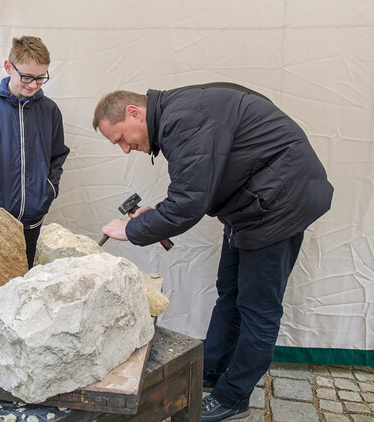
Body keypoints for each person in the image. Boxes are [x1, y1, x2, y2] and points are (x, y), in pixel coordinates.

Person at [93, 83, 333, 422]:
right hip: (253, 204)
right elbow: (195, 186)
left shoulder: (183, 118)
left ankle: (234, 397)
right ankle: (213, 370)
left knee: (258, 309)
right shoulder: (181, 113)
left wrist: (130, 230)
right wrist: (157, 214)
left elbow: (189, 203)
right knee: (230, 292)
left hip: (280, 203)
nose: (124, 149)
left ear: (134, 113)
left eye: (119, 138)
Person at [0, 36, 70, 268]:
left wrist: (48, 189)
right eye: (27, 77)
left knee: (27, 278)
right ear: (9, 67)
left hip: (33, 218)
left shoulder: (49, 111)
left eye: (41, 78)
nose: (33, 85)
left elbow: (57, 155)